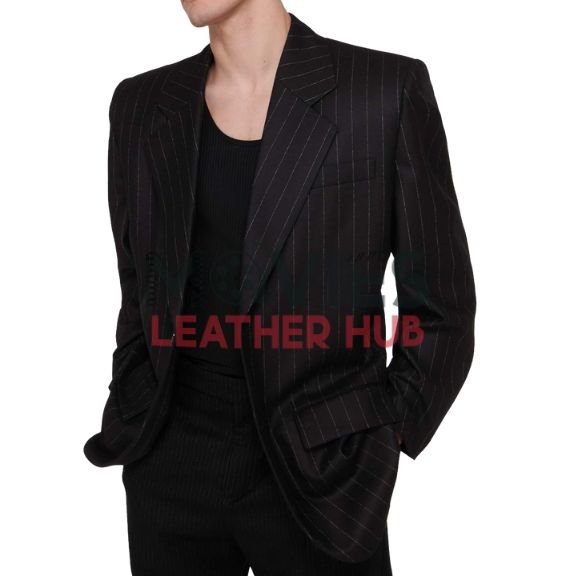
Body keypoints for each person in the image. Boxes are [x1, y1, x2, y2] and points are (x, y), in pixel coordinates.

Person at [83, 1, 476, 574]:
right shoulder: (141, 104)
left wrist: (384, 433)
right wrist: (135, 403)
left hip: (327, 467)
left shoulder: (382, 91)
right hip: (171, 461)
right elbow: (138, 285)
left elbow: (442, 305)